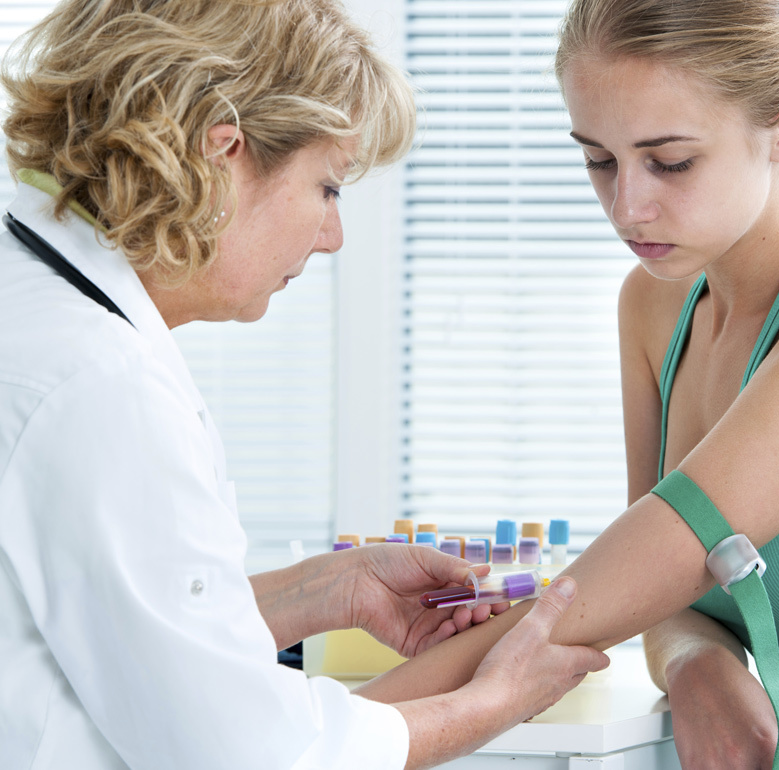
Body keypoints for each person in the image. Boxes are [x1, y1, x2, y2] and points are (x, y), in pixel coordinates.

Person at [353, 1, 779, 768]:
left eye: (670, 162)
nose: (626, 207)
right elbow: (658, 592)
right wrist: (696, 662)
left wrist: (297, 739)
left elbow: (582, 611)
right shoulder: (655, 302)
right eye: (599, 160)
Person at [0, 1, 610, 768]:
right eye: (328, 187)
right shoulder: (100, 388)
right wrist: (492, 703)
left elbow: (113, 631)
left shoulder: (35, 310)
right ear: (222, 153)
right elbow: (250, 756)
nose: (333, 237)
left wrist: (331, 588)